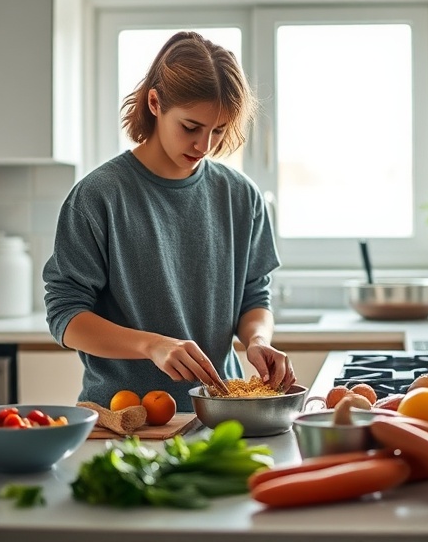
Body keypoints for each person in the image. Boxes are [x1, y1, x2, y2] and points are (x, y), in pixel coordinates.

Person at [43, 31, 295, 412]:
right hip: (124, 418)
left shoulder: (242, 197)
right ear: (155, 103)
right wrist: (152, 345)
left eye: (219, 130)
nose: (205, 146)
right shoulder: (98, 196)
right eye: (191, 127)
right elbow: (66, 315)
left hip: (215, 414)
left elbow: (253, 296)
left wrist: (258, 340)